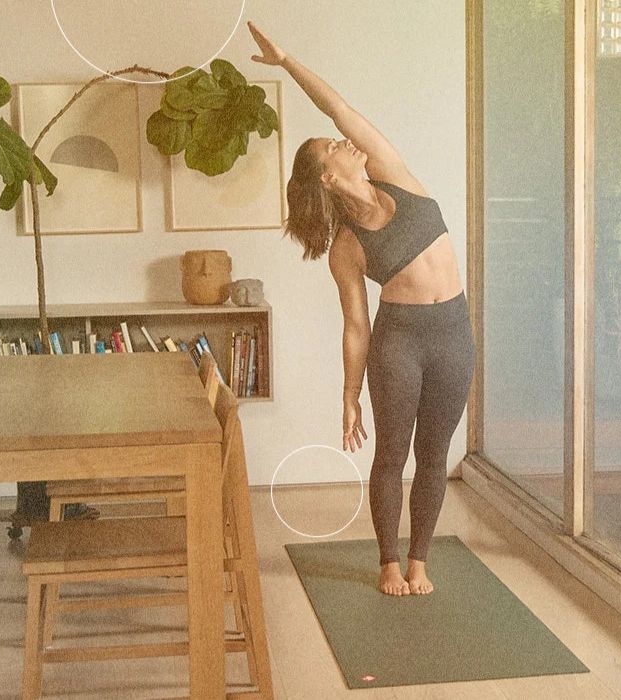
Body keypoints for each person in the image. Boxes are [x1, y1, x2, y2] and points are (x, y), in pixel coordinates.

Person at [249, 21, 475, 596]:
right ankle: (388, 563)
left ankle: (420, 561)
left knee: (434, 454)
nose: (344, 141)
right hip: (400, 341)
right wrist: (349, 396)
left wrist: (287, 60)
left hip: (453, 331)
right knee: (392, 453)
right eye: (333, 147)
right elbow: (355, 326)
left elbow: (340, 107)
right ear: (327, 176)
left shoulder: (394, 174)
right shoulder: (347, 248)